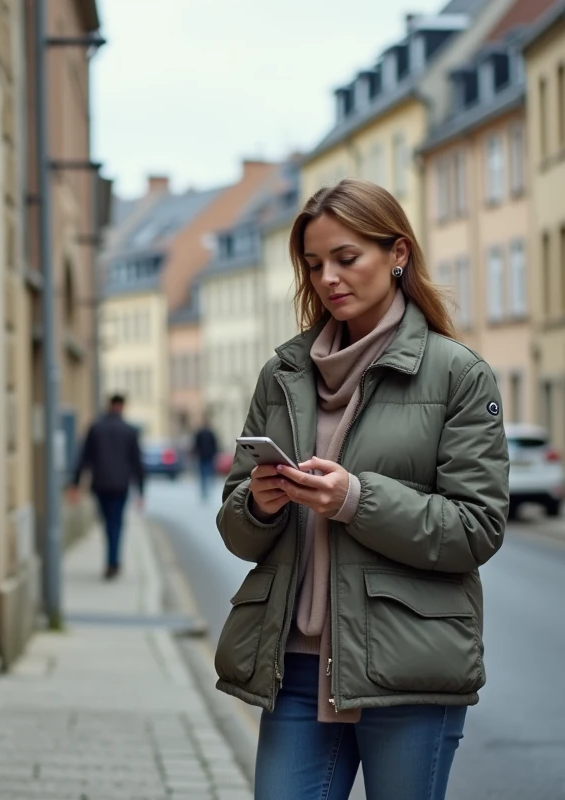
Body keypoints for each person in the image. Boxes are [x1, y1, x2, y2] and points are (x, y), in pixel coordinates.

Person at [214, 179, 508, 799]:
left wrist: (355, 500)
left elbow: (477, 528)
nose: (328, 278)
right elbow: (235, 528)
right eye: (314, 264)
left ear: (397, 253)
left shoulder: (457, 373)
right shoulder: (283, 374)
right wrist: (260, 506)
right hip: (293, 663)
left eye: (347, 259)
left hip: (406, 663)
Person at [68, 394, 145, 579]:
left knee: (108, 523)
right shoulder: (129, 431)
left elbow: (84, 458)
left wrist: (75, 484)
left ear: (109, 405)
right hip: (120, 485)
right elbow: (137, 464)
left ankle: (111, 562)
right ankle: (113, 562)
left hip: (101, 485)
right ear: (122, 407)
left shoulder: (96, 428)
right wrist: (140, 492)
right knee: (116, 523)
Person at [191, 419, 220, 502]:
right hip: (205, 457)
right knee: (206, 475)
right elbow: (215, 445)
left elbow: (196, 445)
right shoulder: (206, 433)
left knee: (205, 475)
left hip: (206, 457)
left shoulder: (206, 433)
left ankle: (205, 491)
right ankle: (205, 491)